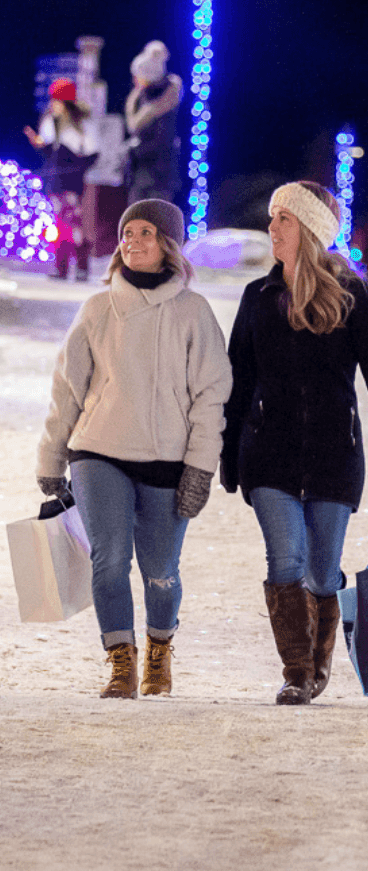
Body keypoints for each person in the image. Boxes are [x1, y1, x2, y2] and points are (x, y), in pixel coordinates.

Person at [220, 181, 368, 706]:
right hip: (269, 454)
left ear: (308, 230)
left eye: (283, 218)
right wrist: (228, 451)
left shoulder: (351, 296)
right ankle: (297, 673)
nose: (272, 227)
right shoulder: (257, 298)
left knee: (322, 571)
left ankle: (318, 663)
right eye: (272, 217)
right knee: (286, 559)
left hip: (334, 454)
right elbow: (237, 379)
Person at [36, 200, 232, 698]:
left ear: (168, 245)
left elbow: (212, 396)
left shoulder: (194, 312)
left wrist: (200, 468)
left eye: (146, 232)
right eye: (128, 232)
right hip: (98, 452)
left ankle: (160, 650)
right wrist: (51, 460)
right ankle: (121, 662)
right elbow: (67, 390)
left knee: (161, 572)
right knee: (109, 559)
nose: (133, 241)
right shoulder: (98, 309)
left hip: (169, 461)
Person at [24, 77, 99, 280]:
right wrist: (39, 144)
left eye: (55, 100)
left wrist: (77, 168)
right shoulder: (50, 122)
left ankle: (82, 267)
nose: (52, 104)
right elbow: (50, 153)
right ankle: (61, 267)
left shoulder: (81, 124)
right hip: (56, 182)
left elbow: (92, 153)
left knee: (74, 224)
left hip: (72, 183)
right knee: (59, 225)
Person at [125, 41, 183, 203]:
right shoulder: (143, 96)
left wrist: (135, 149)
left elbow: (159, 138)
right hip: (144, 173)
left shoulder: (162, 97)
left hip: (157, 174)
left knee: (156, 216)